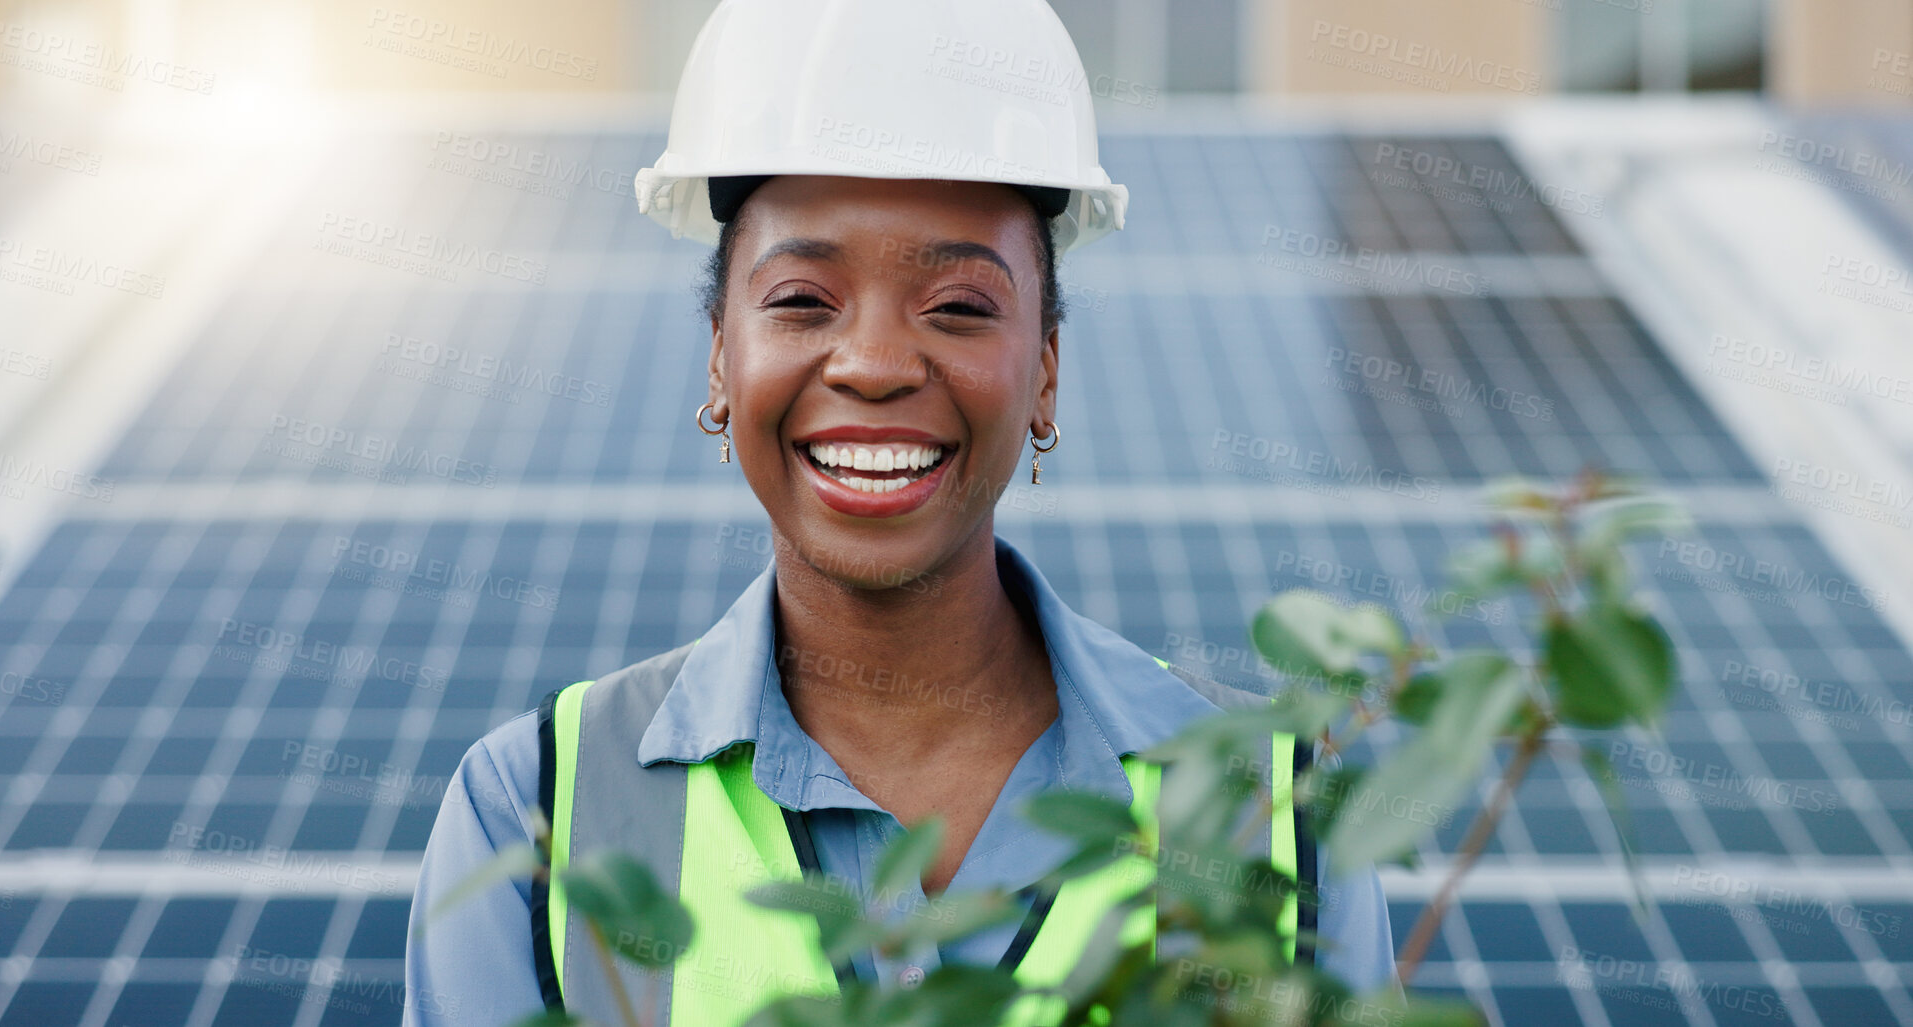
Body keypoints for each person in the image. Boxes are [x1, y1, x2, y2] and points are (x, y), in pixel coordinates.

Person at [404, 2, 1396, 1024]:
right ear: (718, 352)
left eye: (960, 306)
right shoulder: (533, 812)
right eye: (800, 300)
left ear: (1046, 371)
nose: (874, 364)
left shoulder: (1272, 807)